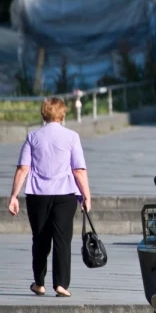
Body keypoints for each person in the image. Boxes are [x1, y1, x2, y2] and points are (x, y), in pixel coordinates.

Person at [8, 97, 92, 297]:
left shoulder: (33, 136)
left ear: (43, 114)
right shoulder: (71, 137)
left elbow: (23, 168)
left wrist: (13, 196)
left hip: (37, 195)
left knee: (40, 239)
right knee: (62, 239)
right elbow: (79, 170)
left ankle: (39, 282)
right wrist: (86, 196)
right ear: (62, 115)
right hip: (65, 195)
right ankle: (61, 284)